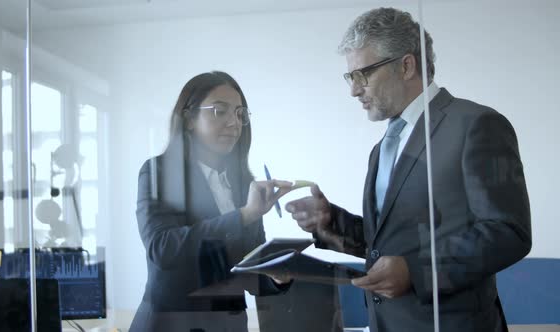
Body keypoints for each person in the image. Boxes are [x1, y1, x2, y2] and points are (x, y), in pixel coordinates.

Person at [286, 7, 531, 332]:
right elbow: (386, 245)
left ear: (406, 65)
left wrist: (417, 270)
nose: (354, 90)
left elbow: (508, 232)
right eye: (350, 77)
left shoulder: (476, 125)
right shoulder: (382, 147)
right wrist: (331, 221)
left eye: (364, 74)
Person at [130, 71, 292, 332]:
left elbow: (246, 269)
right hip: (174, 325)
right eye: (220, 111)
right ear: (189, 118)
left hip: (228, 325)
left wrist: (278, 276)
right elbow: (162, 249)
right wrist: (244, 215)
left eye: (240, 114)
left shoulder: (242, 183)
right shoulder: (159, 172)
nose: (234, 123)